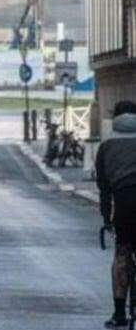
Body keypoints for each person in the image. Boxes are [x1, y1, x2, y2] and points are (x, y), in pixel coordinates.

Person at [96, 101, 136, 329]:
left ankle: (119, 314)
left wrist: (106, 219)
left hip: (125, 202)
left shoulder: (106, 146)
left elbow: (104, 189)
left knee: (122, 254)